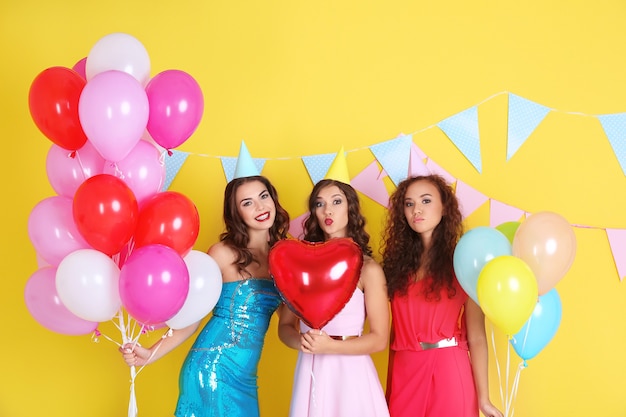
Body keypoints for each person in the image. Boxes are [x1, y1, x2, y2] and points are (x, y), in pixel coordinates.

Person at [120, 175, 290, 417]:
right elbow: (194, 315)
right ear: (236, 213)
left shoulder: (286, 256)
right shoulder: (222, 254)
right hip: (212, 368)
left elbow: (288, 322)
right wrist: (150, 353)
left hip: (247, 376)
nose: (260, 207)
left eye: (263, 197)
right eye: (247, 203)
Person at [381, 174, 503, 417]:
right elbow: (395, 334)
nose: (417, 209)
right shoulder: (396, 266)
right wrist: (389, 389)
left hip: (448, 370)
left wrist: (484, 399)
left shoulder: (464, 260)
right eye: (409, 203)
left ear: (445, 207)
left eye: (426, 201)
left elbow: (477, 338)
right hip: (405, 371)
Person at [277, 179, 390, 417]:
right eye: (320, 204)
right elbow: (285, 326)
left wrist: (331, 346)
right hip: (311, 368)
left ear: (350, 208)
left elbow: (380, 339)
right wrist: (302, 343)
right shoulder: (301, 267)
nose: (328, 210)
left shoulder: (368, 269)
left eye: (336, 202)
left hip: (351, 371)